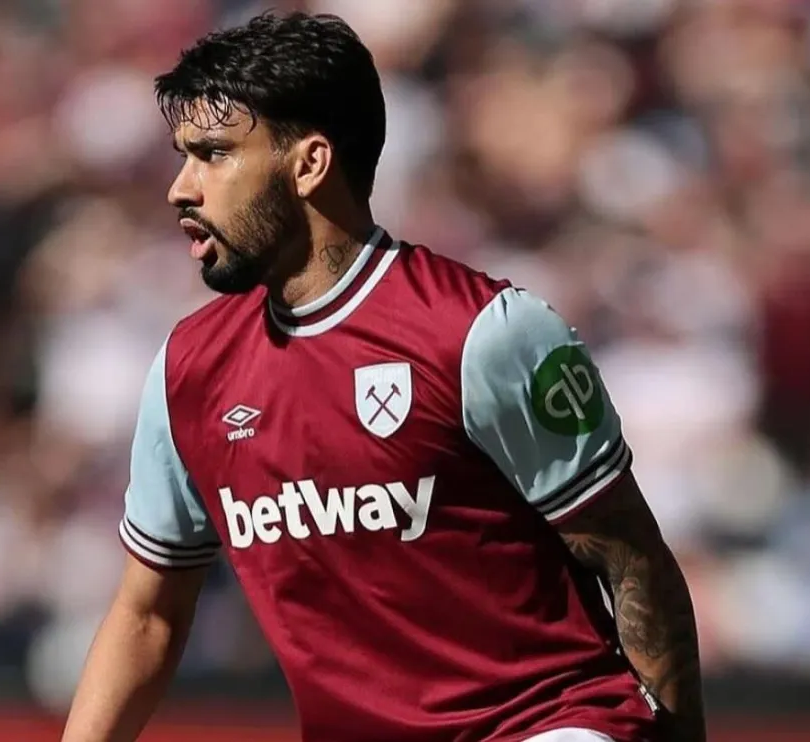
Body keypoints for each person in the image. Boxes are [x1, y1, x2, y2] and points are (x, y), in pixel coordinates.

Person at [61, 12, 705, 742]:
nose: (181, 188)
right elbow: (147, 615)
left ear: (309, 164)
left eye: (213, 154)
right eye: (183, 157)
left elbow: (633, 563)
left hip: (543, 724)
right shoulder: (188, 371)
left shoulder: (483, 333)